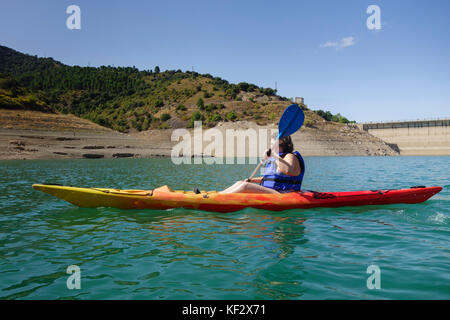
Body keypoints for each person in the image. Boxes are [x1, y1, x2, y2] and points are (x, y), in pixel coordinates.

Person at [220, 136, 305, 194]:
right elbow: (270, 178)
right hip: (275, 191)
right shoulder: (277, 158)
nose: (270, 148)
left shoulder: (290, 156)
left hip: (285, 193)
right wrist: (252, 180)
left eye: (273, 145)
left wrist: (274, 155)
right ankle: (217, 195)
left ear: (284, 145)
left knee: (245, 186)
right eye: (271, 145)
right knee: (240, 182)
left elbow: (287, 170)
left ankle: (219, 198)